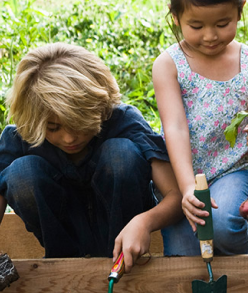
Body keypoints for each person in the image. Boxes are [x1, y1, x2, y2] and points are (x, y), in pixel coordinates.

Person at [0, 42, 183, 271]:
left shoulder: (123, 121)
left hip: (124, 247)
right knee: (21, 173)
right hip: (62, 250)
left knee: (121, 154)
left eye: (78, 125)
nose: (68, 138)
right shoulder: (20, 137)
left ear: (99, 107)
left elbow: (176, 197)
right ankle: (65, 268)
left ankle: (118, 263)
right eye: (54, 128)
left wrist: (144, 222)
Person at [152, 0, 248, 256]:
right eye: (196, 25)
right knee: (184, 255)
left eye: (222, 23)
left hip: (232, 169)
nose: (210, 35)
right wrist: (186, 189)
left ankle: (244, 283)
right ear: (176, 16)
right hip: (182, 171)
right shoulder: (169, 65)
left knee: (222, 224)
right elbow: (175, 128)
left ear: (240, 11)